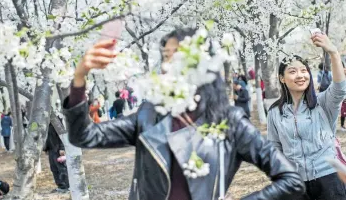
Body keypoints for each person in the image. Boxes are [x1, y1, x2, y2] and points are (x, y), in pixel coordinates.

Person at [63, 29, 305, 200]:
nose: (168, 65)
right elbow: (84, 136)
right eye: (166, 57)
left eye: (177, 55)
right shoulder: (149, 116)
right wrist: (79, 78)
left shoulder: (228, 122)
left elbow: (290, 180)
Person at [267, 33, 346, 200]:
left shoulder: (322, 103)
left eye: (304, 71)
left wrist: (333, 52)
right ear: (282, 78)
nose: (300, 75)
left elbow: (340, 88)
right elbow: (275, 147)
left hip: (330, 178)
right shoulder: (274, 112)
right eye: (293, 71)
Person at [43, 120, 69, 193]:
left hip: (58, 149)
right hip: (51, 149)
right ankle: (60, 186)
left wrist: (62, 148)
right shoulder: (46, 122)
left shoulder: (56, 121)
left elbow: (62, 135)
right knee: (54, 169)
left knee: (61, 168)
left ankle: (66, 186)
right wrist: (46, 149)